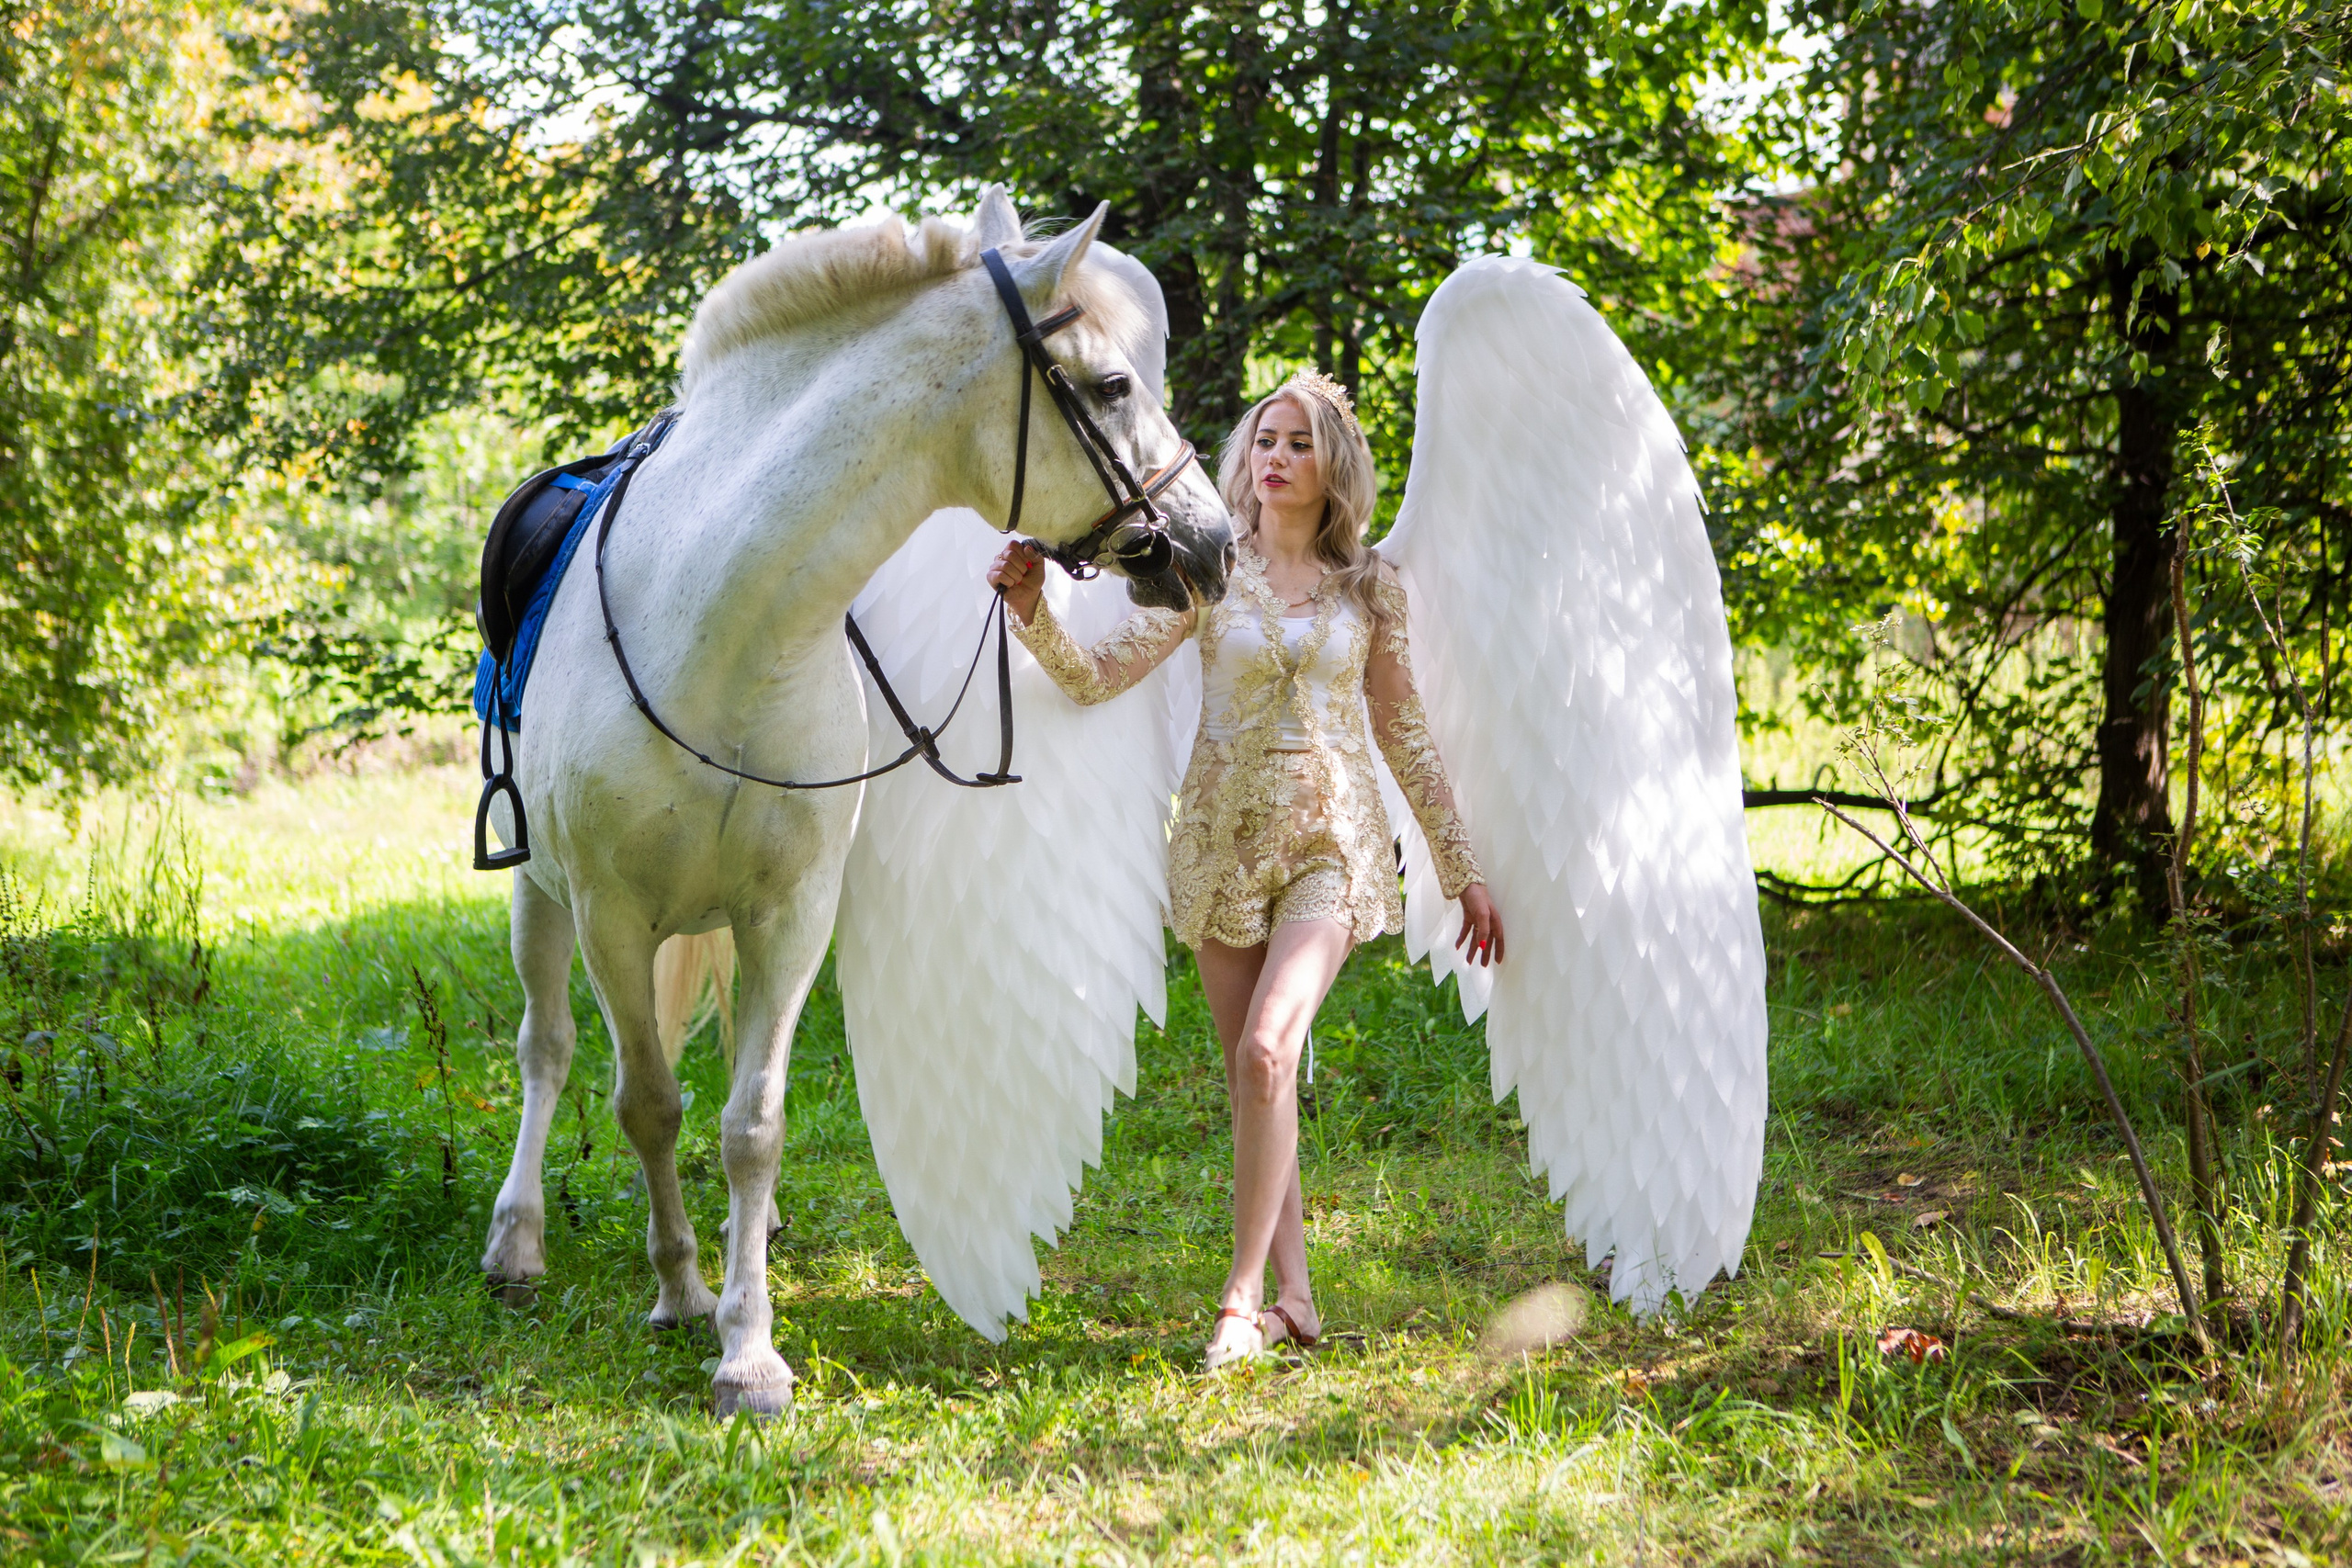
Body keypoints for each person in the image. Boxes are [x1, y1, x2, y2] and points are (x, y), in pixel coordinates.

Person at [988, 370, 1504, 1371]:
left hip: (1333, 845)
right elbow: (1099, 678)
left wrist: (1459, 865)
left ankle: (1237, 1301)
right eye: (1265, 440)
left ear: (1332, 467)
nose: (1275, 458)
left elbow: (1403, 728)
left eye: (1299, 444)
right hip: (1219, 844)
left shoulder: (1370, 586)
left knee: (1269, 1053)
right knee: (1250, 1080)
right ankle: (1298, 1299)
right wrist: (1032, 609)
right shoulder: (1207, 571)